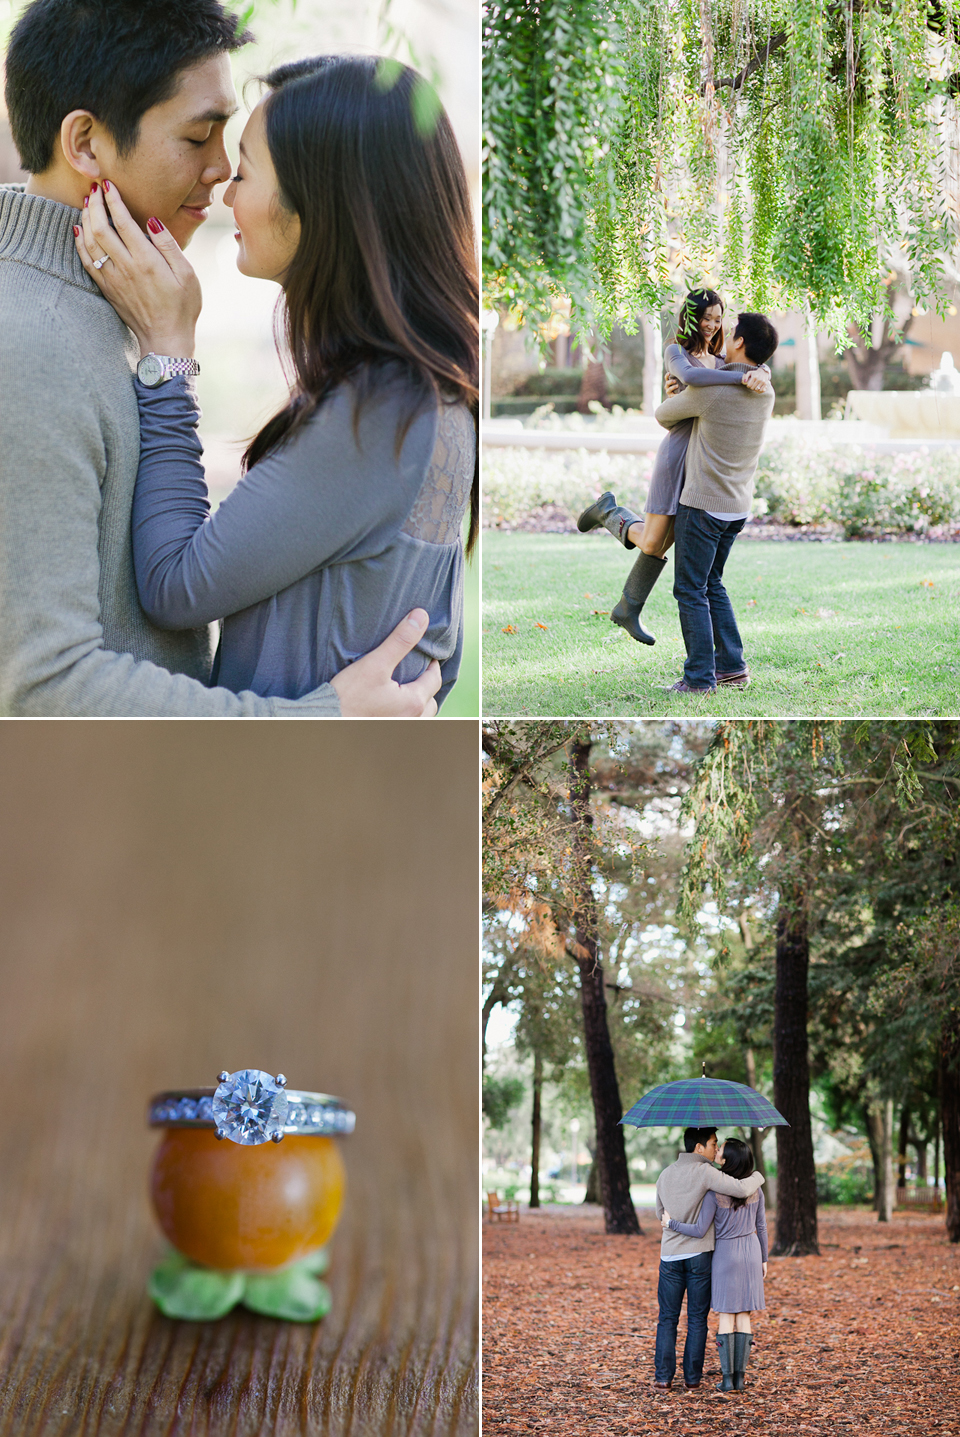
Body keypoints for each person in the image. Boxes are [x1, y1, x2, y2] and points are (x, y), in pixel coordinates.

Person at [0, 0, 444, 716]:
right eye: (198, 138)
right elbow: (45, 685)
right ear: (85, 144)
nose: (221, 174)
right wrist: (317, 720)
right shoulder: (30, 342)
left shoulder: (121, 309)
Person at [576, 289, 771, 644]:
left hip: (702, 460)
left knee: (664, 542)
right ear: (690, 317)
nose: (712, 325)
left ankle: (628, 607)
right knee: (652, 541)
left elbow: (751, 364)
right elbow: (695, 382)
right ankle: (609, 512)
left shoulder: (721, 358)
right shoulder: (676, 352)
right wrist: (744, 377)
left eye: (718, 317)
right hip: (678, 451)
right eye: (706, 317)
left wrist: (762, 372)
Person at [653, 1127, 765, 1393]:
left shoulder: (664, 1174)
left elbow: (660, 1213)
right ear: (699, 1147)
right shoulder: (707, 1173)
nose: (716, 1149)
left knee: (667, 1318)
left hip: (669, 1255)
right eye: (713, 1143)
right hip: (699, 1255)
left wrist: (671, 1223)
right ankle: (692, 1378)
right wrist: (759, 1175)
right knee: (696, 1318)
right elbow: (740, 1187)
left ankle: (662, 1377)